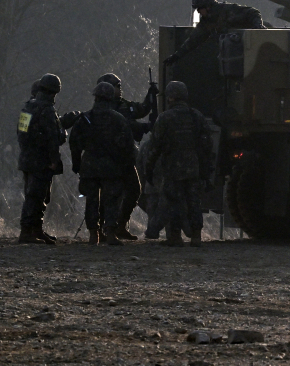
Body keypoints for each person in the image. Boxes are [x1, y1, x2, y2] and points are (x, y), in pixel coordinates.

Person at [144, 81, 213, 247]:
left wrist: (149, 168)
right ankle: (196, 236)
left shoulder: (165, 118)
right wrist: (205, 168)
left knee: (174, 201)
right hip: (193, 166)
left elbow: (155, 146)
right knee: (193, 201)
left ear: (170, 97)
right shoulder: (196, 116)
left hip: (172, 167)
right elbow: (207, 145)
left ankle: (175, 237)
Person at [68, 82, 137, 245]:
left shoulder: (84, 119)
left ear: (96, 97)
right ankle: (111, 233)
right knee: (112, 200)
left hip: (90, 166)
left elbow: (74, 143)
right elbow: (128, 146)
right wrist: (126, 166)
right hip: (111, 167)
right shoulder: (118, 119)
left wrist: (76, 164)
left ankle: (94, 234)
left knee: (91, 201)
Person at [97, 73, 158, 241]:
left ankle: (120, 225)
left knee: (134, 190)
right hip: (111, 157)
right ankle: (102, 228)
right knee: (110, 194)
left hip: (126, 156)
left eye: (119, 85)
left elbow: (142, 109)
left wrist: (151, 95)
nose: (119, 89)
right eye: (116, 86)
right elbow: (126, 124)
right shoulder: (105, 109)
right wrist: (145, 127)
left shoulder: (124, 105)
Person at [16, 74, 67, 244]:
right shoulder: (47, 110)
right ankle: (27, 231)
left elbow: (21, 133)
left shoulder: (27, 107)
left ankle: (36, 230)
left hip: (27, 159)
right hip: (42, 161)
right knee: (36, 196)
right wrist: (53, 159)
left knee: (36, 196)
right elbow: (53, 138)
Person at [164, 0, 263, 65]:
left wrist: (257, 26)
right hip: (233, 56)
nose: (198, 11)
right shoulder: (206, 23)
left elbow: (252, 12)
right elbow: (192, 41)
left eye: (200, 8)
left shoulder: (228, 11)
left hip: (251, 50)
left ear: (208, 6)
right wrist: (176, 56)